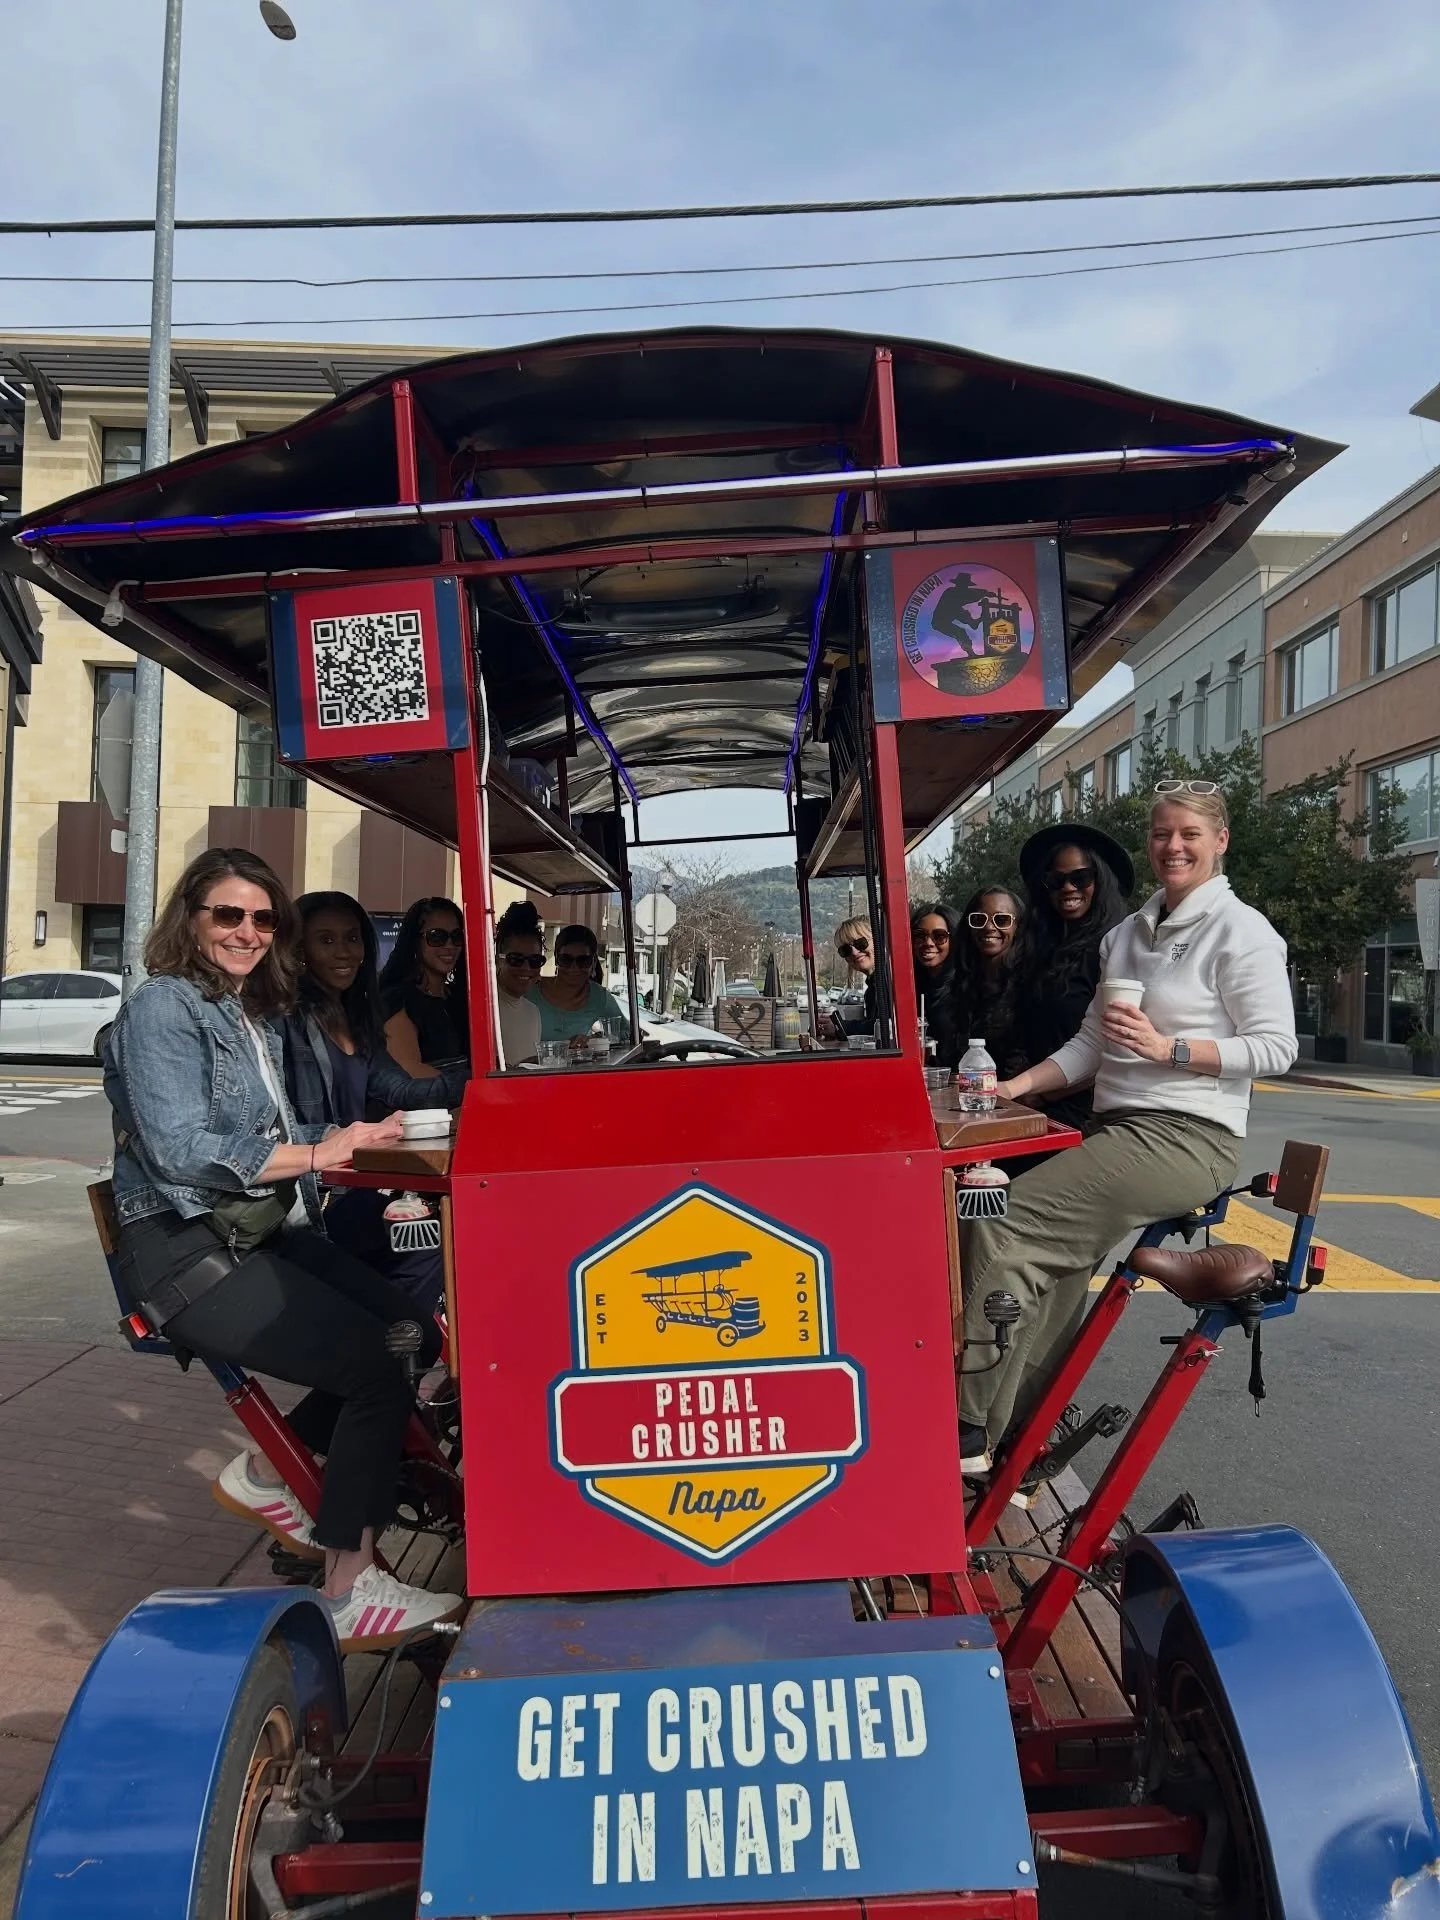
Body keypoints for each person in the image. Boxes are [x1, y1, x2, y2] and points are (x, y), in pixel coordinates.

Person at [105, 847, 461, 1649]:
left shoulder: (243, 1010)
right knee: (374, 1364)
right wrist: (315, 1154)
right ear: (190, 919)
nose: (247, 932)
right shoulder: (164, 1007)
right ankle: (350, 1587)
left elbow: (273, 1130)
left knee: (415, 1332)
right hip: (186, 1252)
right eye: (228, 915)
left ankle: (271, 1470)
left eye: (264, 919)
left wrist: (352, 1134)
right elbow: (180, 1150)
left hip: (258, 1230)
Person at [956, 781, 1298, 1470]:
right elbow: (1091, 1045)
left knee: (1001, 1219)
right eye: (1162, 834)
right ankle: (1007, 1434)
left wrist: (1168, 1049)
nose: (1174, 846)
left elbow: (1275, 1048)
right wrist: (1011, 1088)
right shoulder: (1128, 934)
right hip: (1118, 1128)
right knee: (1054, 1266)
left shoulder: (1242, 931)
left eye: (1190, 834)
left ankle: (960, 1422)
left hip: (1186, 1135)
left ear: (1220, 841)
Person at [283, 891, 466, 1314]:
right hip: (317, 1198)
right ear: (299, 949)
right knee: (432, 1237)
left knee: (452, 1220)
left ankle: (395, 1340)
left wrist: (487, 1081)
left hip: (355, 1185)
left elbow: (402, 1092)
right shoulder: (284, 1022)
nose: (343, 951)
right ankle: (391, 1344)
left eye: (352, 938)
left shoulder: (355, 1017)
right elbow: (281, 1131)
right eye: (326, 940)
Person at [1012, 825, 1133, 1131]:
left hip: (1086, 1113)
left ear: (1100, 880)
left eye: (1080, 878)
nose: (1067, 888)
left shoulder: (1116, 949)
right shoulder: (1039, 948)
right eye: (1056, 880)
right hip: (1031, 1101)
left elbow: (1112, 1049)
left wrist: (1042, 1094)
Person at [378, 897, 468, 1076]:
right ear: (415, 941)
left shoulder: (459, 998)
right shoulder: (398, 1000)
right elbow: (409, 1071)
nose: (449, 945)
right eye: (437, 937)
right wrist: (471, 1085)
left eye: (457, 936)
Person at [951, 885, 1025, 1072]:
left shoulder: (1030, 984)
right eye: (979, 919)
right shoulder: (960, 983)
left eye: (1001, 920)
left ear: (1017, 927)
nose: (989, 927)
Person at [528, 922, 625, 1046]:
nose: (573, 968)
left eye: (583, 961)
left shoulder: (599, 997)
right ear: (556, 959)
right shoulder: (531, 989)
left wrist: (594, 1039)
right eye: (566, 959)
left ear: (593, 962)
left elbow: (626, 1033)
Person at [910, 900, 967, 1068]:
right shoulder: (912, 987)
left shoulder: (966, 987)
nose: (928, 943)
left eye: (939, 936)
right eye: (920, 935)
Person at [492, 898, 544, 1066]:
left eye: (535, 961)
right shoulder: (484, 1010)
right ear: (498, 959)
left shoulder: (533, 1012)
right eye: (516, 959)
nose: (526, 968)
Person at [832, 916, 877, 1032]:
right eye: (845, 950)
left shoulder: (891, 981)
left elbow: (886, 1026)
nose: (854, 952)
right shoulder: (872, 989)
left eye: (860, 943)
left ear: (877, 940)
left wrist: (841, 1027)